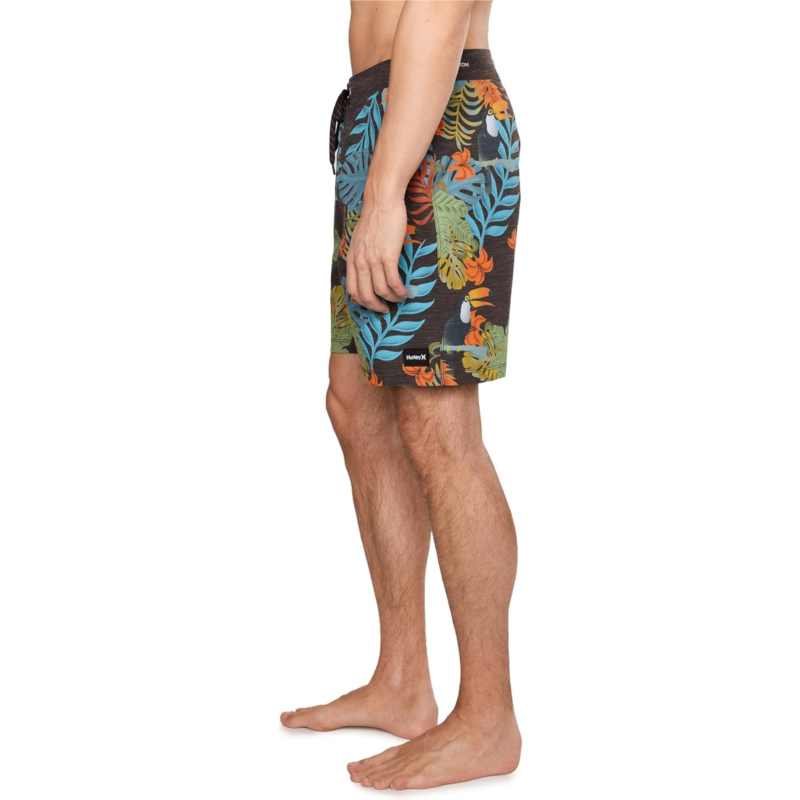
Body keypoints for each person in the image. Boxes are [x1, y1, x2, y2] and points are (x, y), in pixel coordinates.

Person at [281, 0, 522, 790]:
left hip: (440, 119)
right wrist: (373, 168)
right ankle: (403, 680)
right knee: (355, 402)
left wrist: (387, 194)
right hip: (378, 117)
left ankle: (488, 717)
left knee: (437, 422)